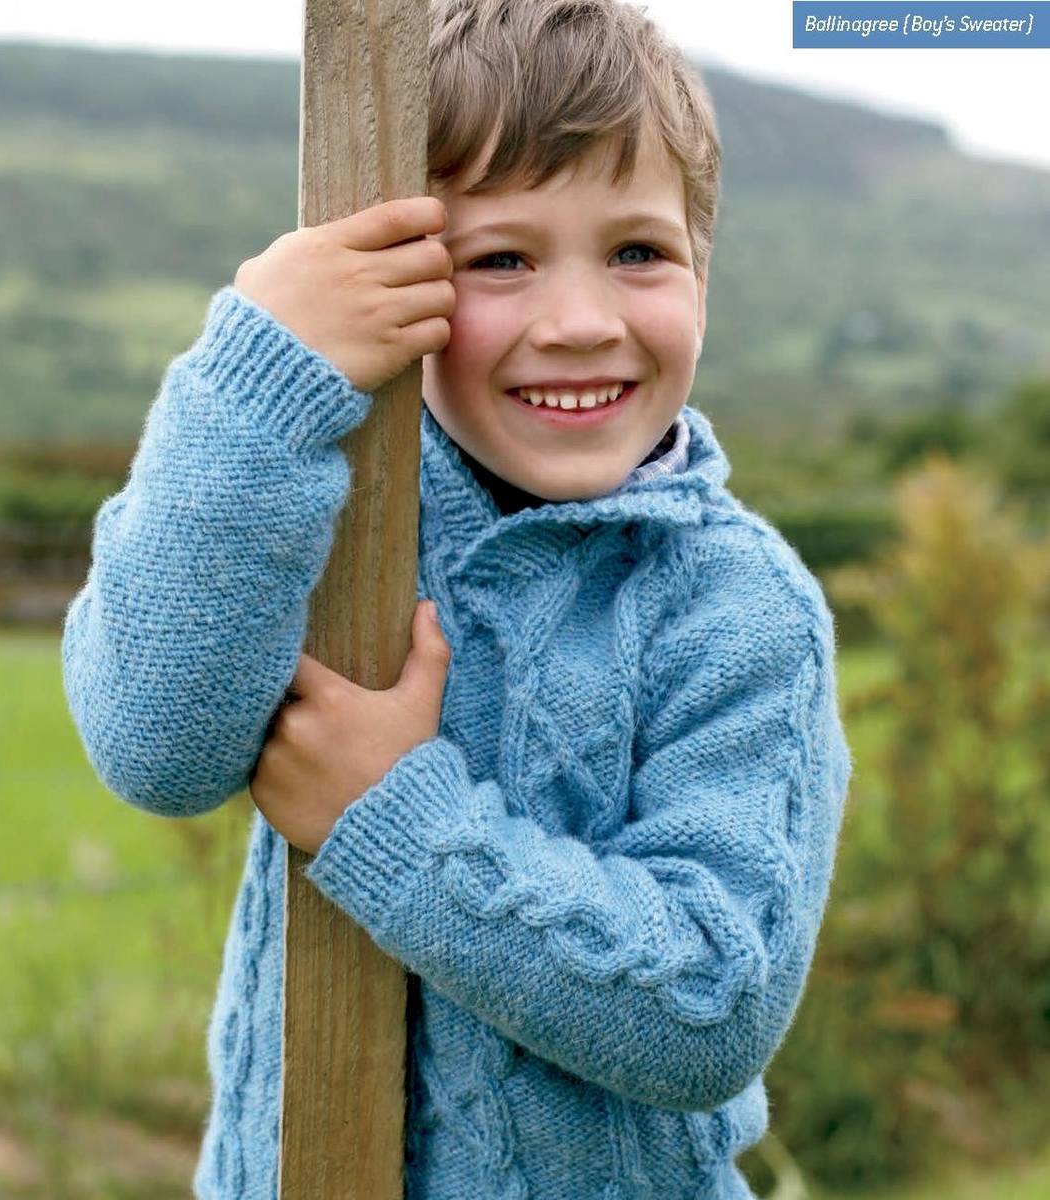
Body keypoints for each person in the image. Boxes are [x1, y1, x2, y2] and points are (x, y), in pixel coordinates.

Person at [61, 1, 854, 1196]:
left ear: (703, 266)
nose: (580, 323)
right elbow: (154, 749)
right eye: (499, 259)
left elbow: (708, 1006)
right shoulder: (316, 513)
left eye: (637, 251)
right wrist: (255, 380)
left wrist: (391, 816)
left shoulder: (738, 609)